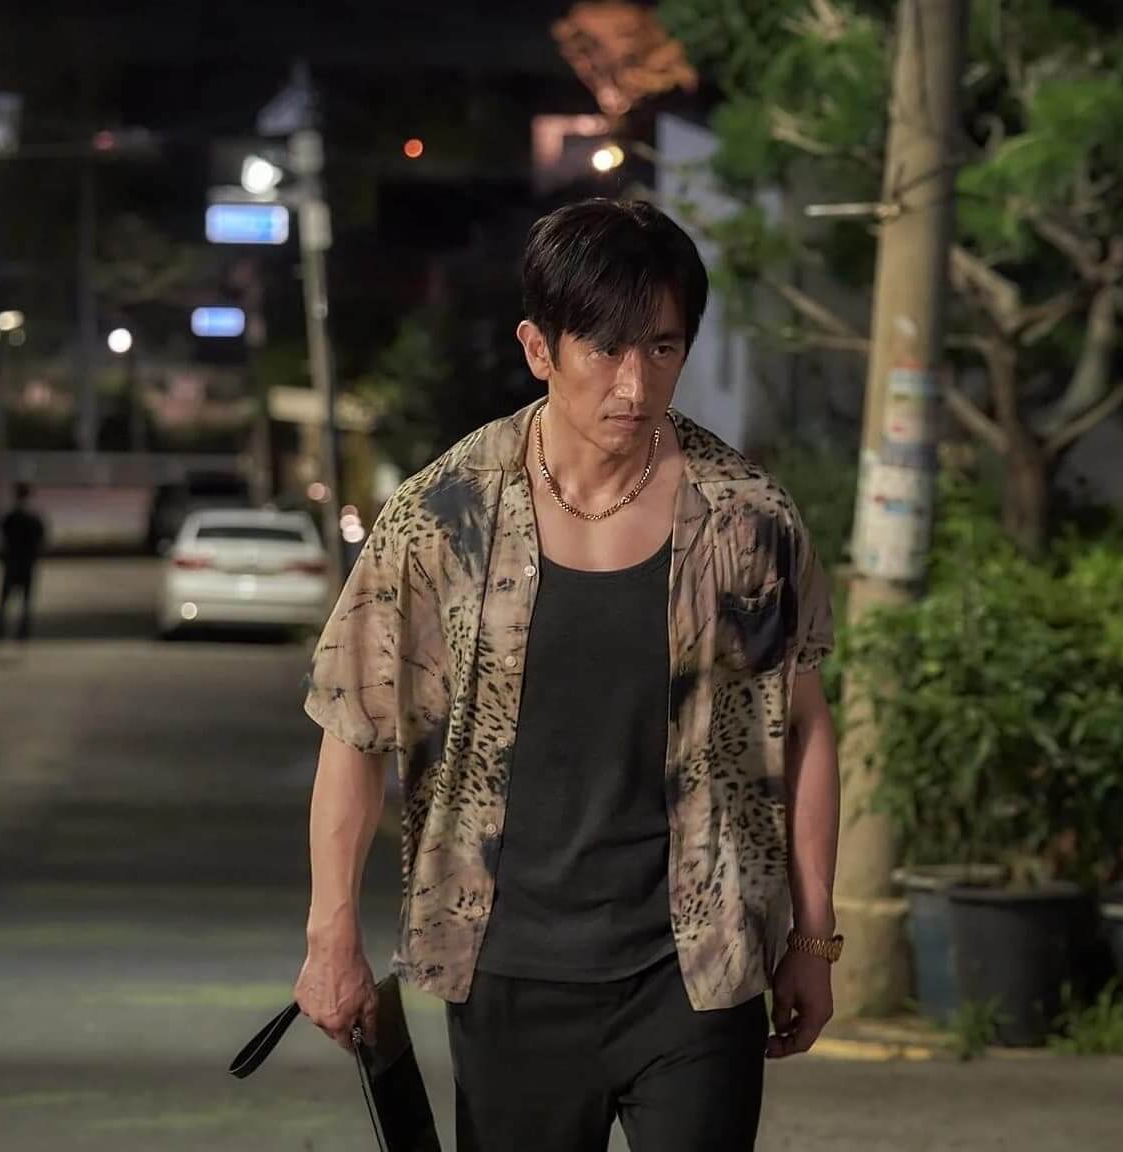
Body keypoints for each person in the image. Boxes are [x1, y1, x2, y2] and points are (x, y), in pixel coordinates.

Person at [295, 199, 841, 1151]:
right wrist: (329, 934)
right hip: (509, 970)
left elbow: (804, 728)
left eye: (663, 349)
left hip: (698, 966)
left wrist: (814, 937)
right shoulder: (443, 516)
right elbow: (354, 728)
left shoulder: (748, 518)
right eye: (606, 348)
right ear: (538, 348)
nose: (636, 383)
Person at [0, 483, 47, 642]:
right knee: (26, 600)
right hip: (27, 563)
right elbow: (41, 540)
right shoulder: (34, 518)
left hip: (11, 562)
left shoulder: (9, 517)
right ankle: (23, 631)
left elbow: (2, 536)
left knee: (4, 599)